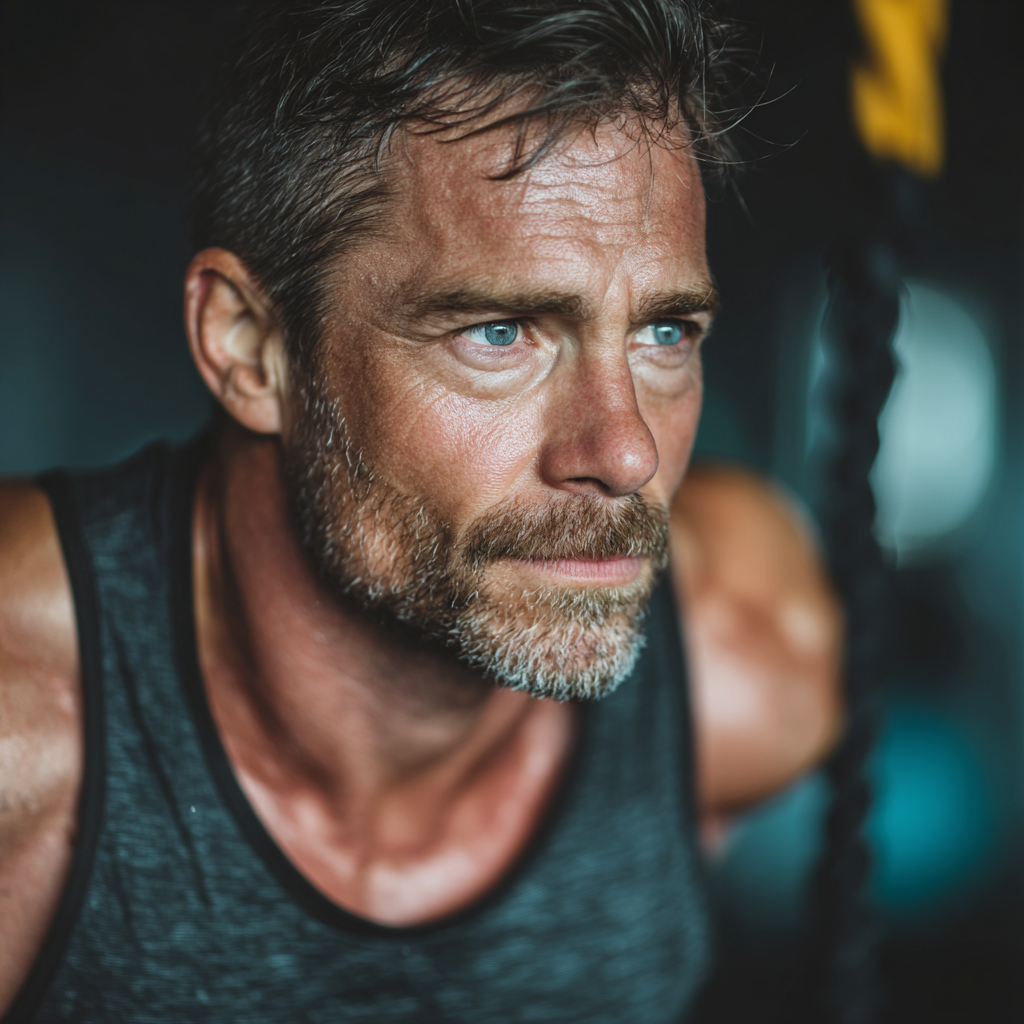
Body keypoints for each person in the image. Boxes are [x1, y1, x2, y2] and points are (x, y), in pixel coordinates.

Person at [0, 1, 841, 1020]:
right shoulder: (28, 746)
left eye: (663, 331)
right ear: (250, 346)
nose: (624, 453)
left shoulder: (744, 662)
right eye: (499, 333)